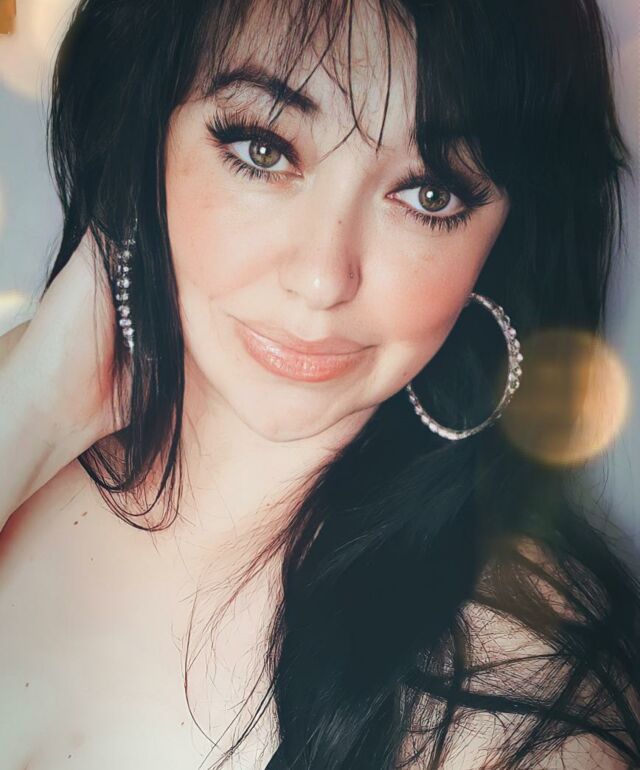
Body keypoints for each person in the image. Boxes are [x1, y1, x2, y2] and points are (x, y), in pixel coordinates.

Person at [1, 0, 639, 768]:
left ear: (500, 238)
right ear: (145, 126)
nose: (322, 278)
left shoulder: (520, 709)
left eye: (428, 194)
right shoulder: (23, 409)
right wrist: (31, 412)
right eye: (264, 148)